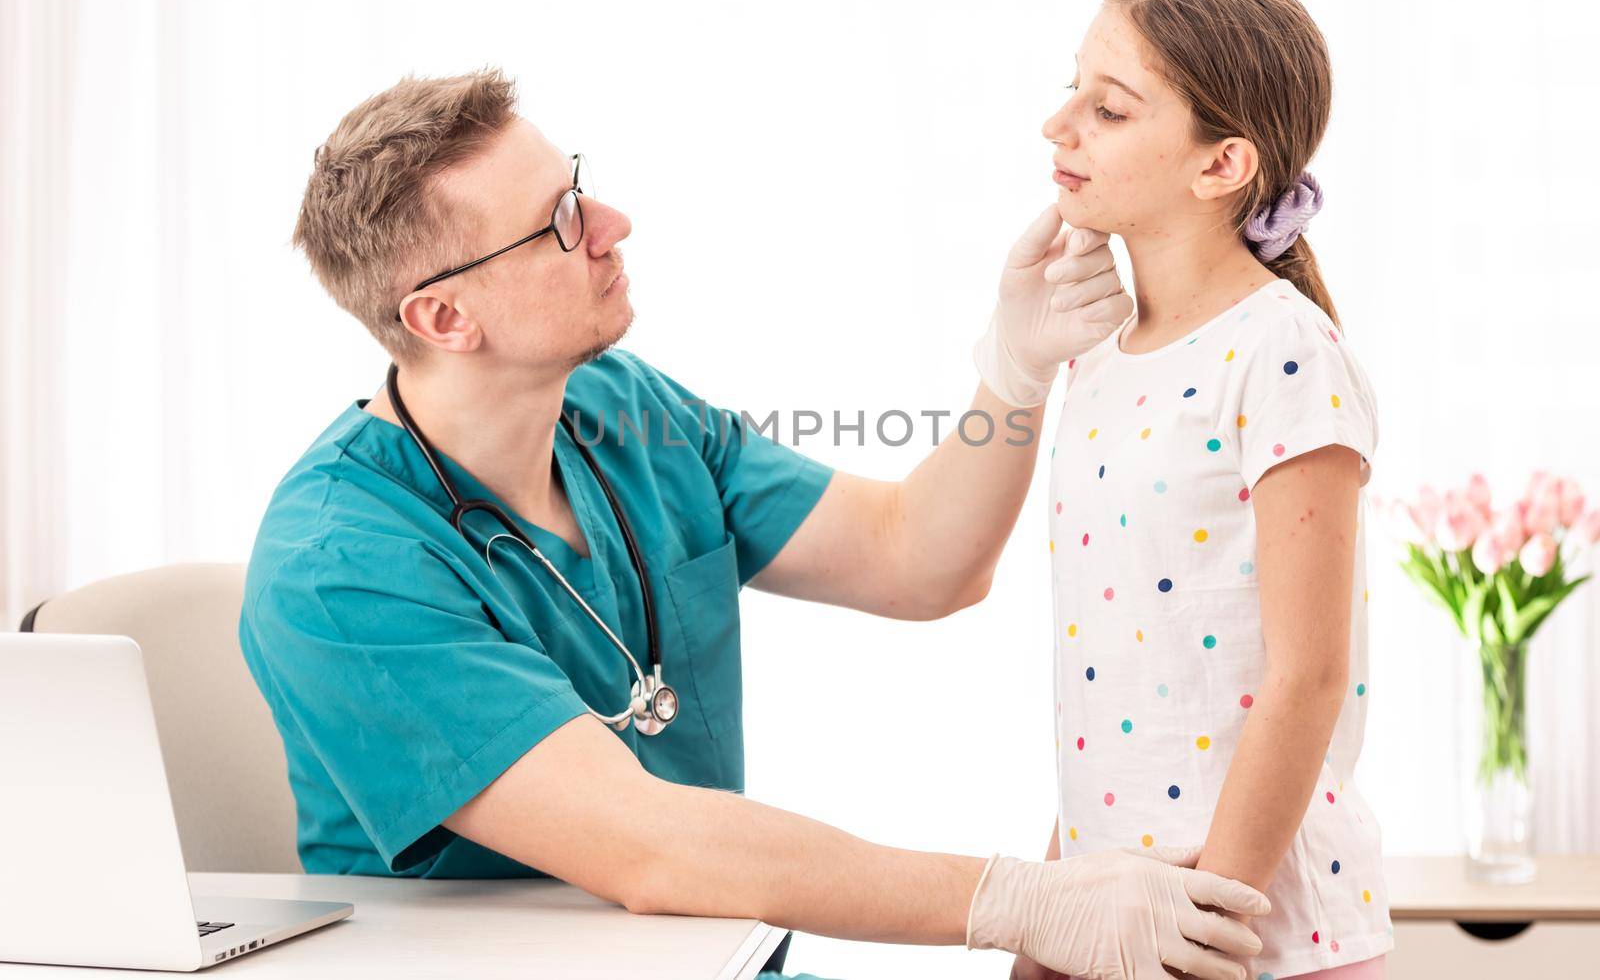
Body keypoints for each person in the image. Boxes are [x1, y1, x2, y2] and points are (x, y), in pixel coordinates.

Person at [238, 68, 1272, 979]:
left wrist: (1013, 370)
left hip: (715, 960)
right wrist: (1020, 900)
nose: (613, 226)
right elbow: (651, 848)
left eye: (582, 190)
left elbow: (919, 559)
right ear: (443, 318)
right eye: (560, 221)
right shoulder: (338, 564)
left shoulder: (623, 410)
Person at [1010, 0, 1392, 980]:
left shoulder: (1283, 351)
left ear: (1222, 163)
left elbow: (1306, 676)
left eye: (1107, 108)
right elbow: (1129, 682)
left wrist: (1199, 935)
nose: (1059, 125)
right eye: (1071, 91)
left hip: (1249, 943)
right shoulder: (1096, 360)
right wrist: (1056, 906)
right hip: (1110, 924)